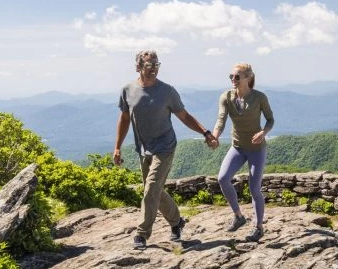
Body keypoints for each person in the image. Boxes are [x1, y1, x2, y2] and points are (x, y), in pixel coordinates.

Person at [113, 50, 215, 250]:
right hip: (144, 148)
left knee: (151, 188)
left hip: (165, 146)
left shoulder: (167, 91)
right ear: (138, 67)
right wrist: (117, 147)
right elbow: (124, 118)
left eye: (156, 65)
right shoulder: (127, 90)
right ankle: (177, 222)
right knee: (155, 192)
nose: (153, 69)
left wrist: (205, 132)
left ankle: (142, 234)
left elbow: (184, 116)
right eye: (149, 65)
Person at [208, 62, 274, 241]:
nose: (233, 80)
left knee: (254, 189)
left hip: (256, 149)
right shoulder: (226, 97)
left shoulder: (259, 97)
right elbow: (221, 120)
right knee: (222, 178)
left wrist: (263, 133)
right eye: (231, 76)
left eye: (237, 77)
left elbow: (270, 120)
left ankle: (259, 227)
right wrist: (214, 136)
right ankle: (239, 216)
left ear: (248, 78)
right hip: (237, 147)